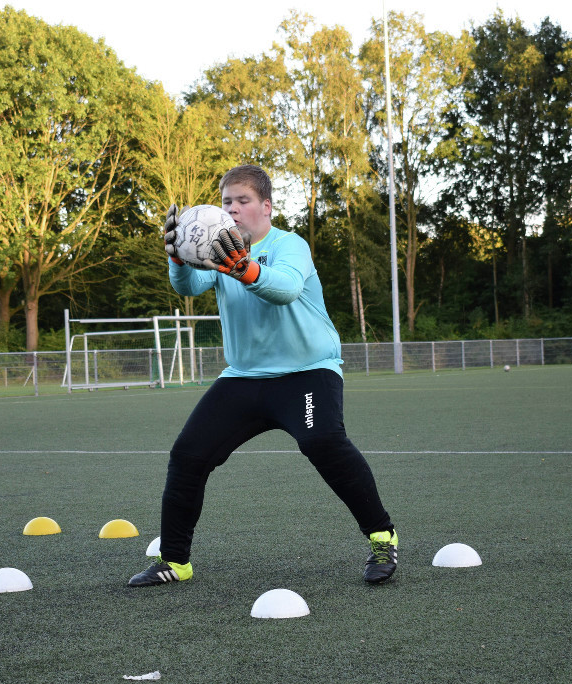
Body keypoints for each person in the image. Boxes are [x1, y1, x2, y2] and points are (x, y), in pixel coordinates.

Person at [127, 164, 398, 586]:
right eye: (227, 202)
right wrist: (177, 257)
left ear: (266, 207)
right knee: (188, 455)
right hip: (244, 377)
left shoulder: (291, 245)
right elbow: (187, 287)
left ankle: (382, 537)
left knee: (323, 442)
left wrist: (245, 269)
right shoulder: (217, 250)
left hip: (307, 372)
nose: (233, 209)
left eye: (243, 200)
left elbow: (285, 289)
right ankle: (174, 562)